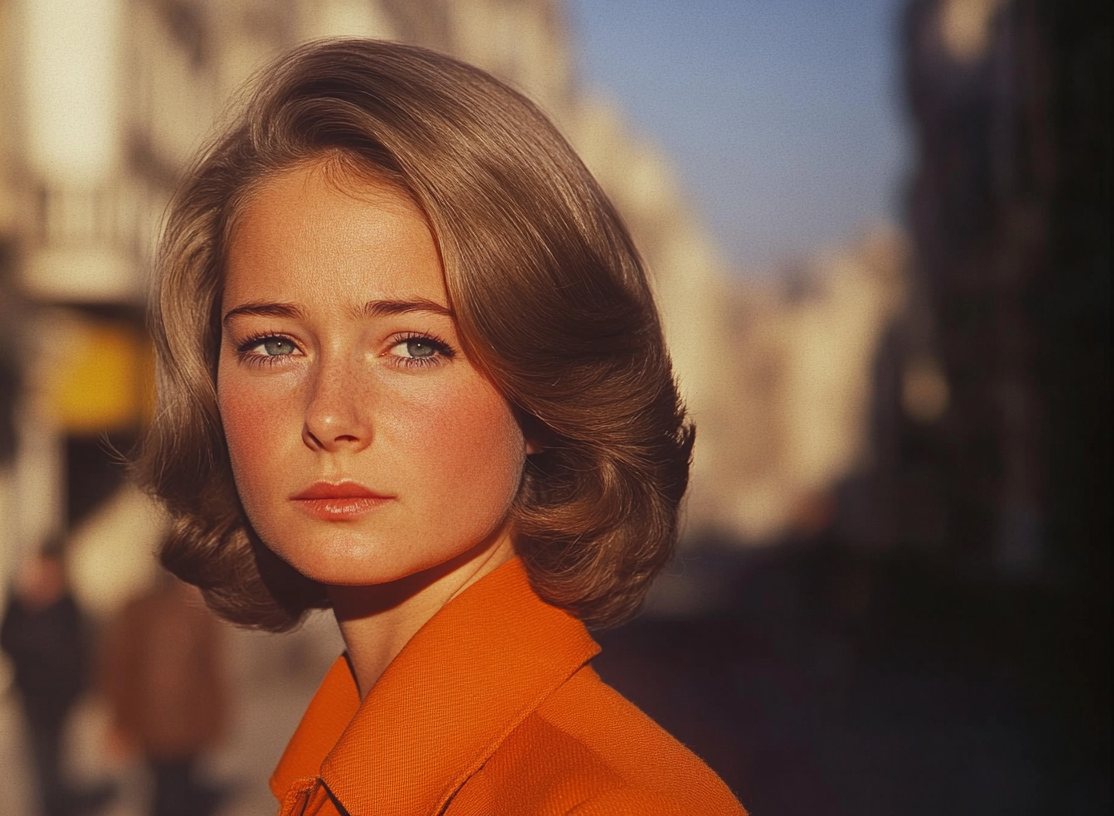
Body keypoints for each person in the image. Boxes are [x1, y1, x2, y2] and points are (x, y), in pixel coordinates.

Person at [138, 38, 746, 815]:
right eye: (273, 344)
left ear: (542, 394)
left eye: (415, 346)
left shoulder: (613, 802)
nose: (328, 416)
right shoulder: (340, 774)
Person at [0, 544, 115, 816]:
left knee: (56, 755)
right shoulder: (20, 604)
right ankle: (49, 805)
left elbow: (80, 648)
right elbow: (4, 638)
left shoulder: (68, 605)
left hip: (61, 696)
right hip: (31, 695)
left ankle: (57, 802)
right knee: (40, 758)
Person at [102, 573, 229, 816]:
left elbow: (210, 671)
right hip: (166, 724)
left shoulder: (186, 611)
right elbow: (120, 669)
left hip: (174, 723)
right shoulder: (150, 610)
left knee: (170, 787)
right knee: (172, 787)